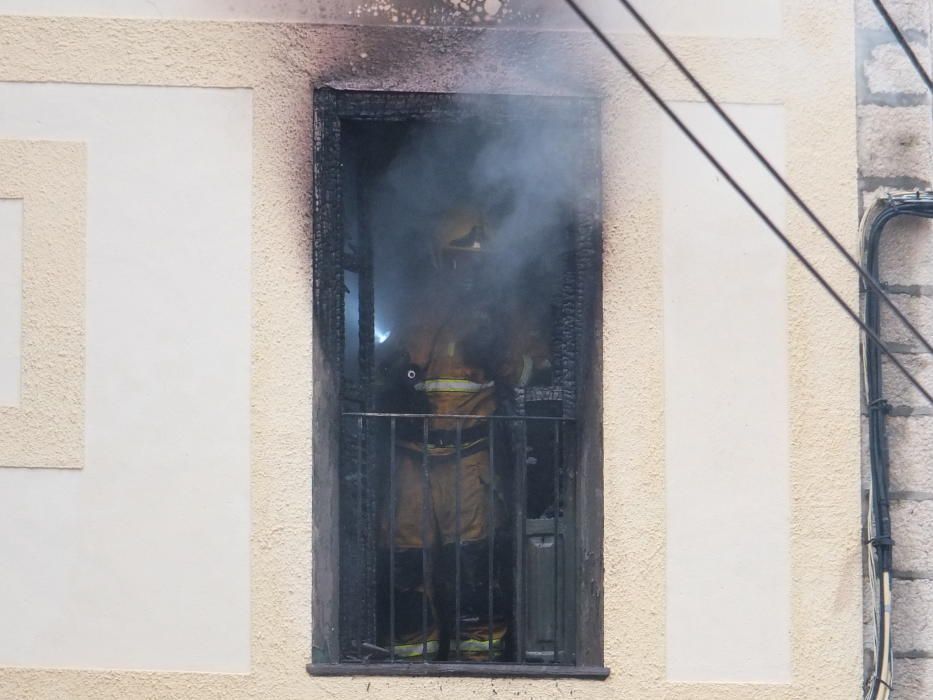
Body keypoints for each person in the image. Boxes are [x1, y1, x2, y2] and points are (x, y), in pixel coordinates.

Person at [377, 210, 545, 661]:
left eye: (479, 262)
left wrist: (502, 360)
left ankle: (480, 662)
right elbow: (386, 364)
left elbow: (536, 370)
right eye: (459, 260)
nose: (468, 270)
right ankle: (410, 659)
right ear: (440, 259)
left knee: (476, 559)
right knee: (405, 557)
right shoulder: (417, 308)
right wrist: (398, 376)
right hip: (411, 459)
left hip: (471, 459)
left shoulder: (507, 313)